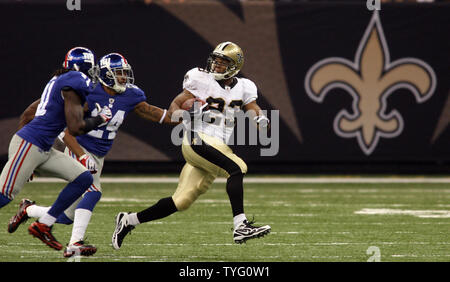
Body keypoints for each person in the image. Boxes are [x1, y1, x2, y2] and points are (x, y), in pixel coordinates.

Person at [8, 52, 174, 258]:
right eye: (119, 73)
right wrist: (80, 156)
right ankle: (74, 244)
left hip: (99, 154)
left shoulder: (131, 94)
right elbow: (65, 129)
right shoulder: (86, 90)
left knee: (68, 216)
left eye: (125, 73)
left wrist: (188, 116)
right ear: (105, 74)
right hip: (79, 145)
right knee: (93, 191)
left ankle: (28, 210)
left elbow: (156, 113)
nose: (124, 78)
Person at [111, 41, 271, 250]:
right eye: (216, 61)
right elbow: (174, 107)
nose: (217, 65)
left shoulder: (245, 86)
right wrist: (189, 113)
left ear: (234, 66)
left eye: (223, 63)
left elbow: (252, 107)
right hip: (198, 138)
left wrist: (260, 119)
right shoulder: (200, 78)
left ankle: (129, 221)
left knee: (182, 200)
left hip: (216, 147)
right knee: (237, 167)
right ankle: (240, 225)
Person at [0, 47, 113, 251]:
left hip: (41, 148)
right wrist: (100, 119)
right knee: (4, 195)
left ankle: (44, 224)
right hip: (31, 144)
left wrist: (25, 158)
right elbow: (75, 128)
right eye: (91, 68)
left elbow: (26, 115)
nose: (93, 74)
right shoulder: (75, 80)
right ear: (82, 68)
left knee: (84, 179)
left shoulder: (60, 82)